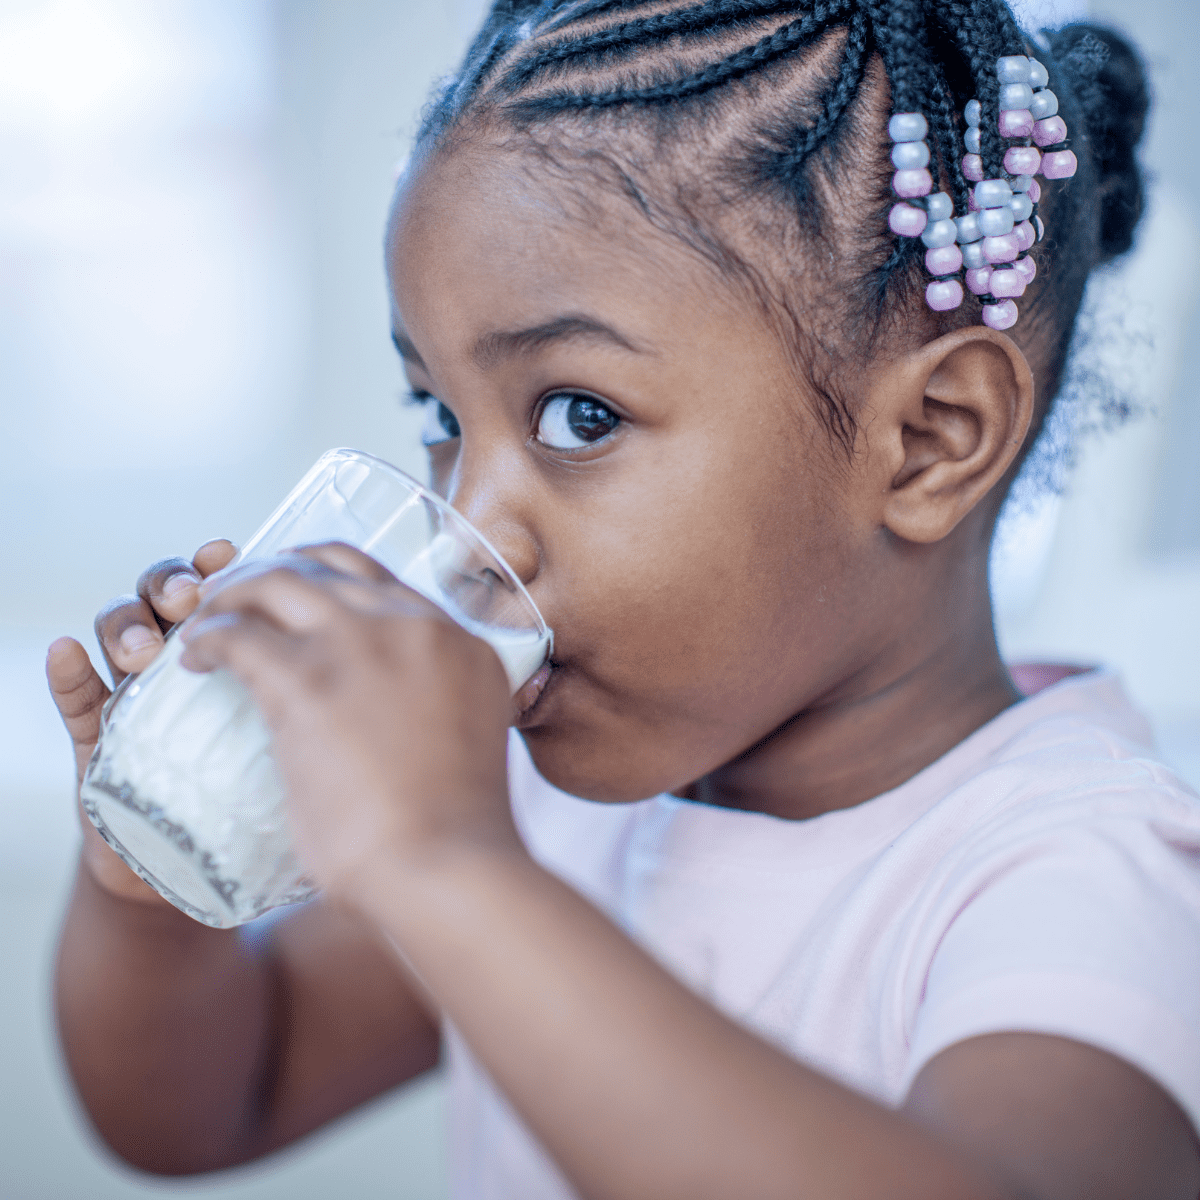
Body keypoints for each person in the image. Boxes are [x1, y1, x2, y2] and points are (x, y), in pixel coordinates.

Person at [45, 2, 1200, 1197]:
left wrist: (448, 862)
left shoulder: (1086, 875)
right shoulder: (558, 814)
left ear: (929, 440)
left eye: (577, 416)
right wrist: (153, 872)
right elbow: (213, 1099)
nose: (471, 531)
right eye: (443, 418)